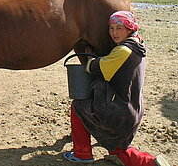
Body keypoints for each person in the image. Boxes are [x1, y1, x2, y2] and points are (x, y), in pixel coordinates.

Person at [63, 11, 171, 166]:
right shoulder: (138, 44)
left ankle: (82, 153)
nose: (114, 33)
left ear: (129, 29)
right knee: (118, 149)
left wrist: (89, 59)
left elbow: (96, 67)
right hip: (133, 108)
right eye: (111, 28)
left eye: (119, 28)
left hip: (118, 110)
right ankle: (149, 162)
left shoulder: (123, 51)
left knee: (78, 106)